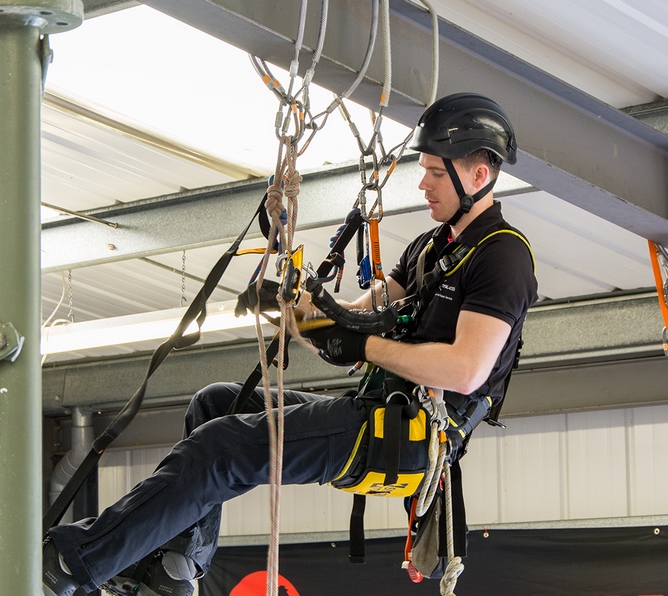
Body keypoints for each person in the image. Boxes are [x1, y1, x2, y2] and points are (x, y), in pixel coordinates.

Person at [42, 93, 538, 596]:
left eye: (435, 172)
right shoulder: (431, 248)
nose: (423, 183)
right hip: (378, 411)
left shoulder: (503, 256)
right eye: (424, 168)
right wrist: (297, 306)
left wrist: (363, 348)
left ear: (478, 177)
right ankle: (177, 565)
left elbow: (466, 370)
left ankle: (75, 564)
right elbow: (357, 316)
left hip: (409, 438)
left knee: (221, 450)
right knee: (214, 405)